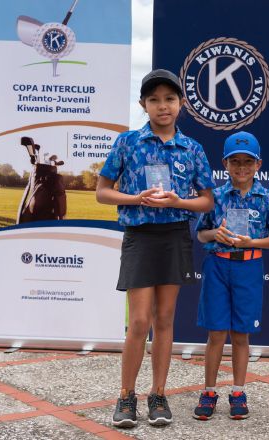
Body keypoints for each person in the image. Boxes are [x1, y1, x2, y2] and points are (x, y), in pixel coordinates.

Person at [97, 69, 215, 428]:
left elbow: (207, 201)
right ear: (143, 105)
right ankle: (126, 397)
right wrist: (136, 198)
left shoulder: (192, 148)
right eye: (154, 100)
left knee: (164, 320)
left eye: (169, 99)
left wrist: (180, 202)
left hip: (175, 235)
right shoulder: (128, 142)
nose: (162, 106)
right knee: (138, 320)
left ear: (182, 104)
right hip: (140, 235)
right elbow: (102, 192)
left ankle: (158, 394)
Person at [193, 131, 269, 420]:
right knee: (216, 332)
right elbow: (200, 234)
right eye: (235, 162)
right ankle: (209, 391)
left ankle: (238, 391)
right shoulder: (215, 196)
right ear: (225, 163)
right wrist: (214, 233)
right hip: (218, 265)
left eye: (247, 161)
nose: (241, 167)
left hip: (249, 266)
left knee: (241, 334)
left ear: (258, 164)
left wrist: (252, 243)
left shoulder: (266, 197)